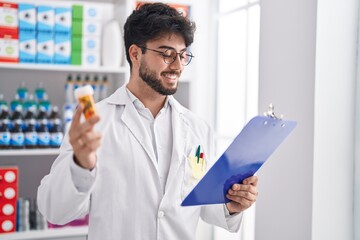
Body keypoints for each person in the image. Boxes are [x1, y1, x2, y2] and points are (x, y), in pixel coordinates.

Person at [37, 3, 258, 239]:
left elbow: (202, 201)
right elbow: (55, 211)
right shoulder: (94, 126)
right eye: (166, 54)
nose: (177, 65)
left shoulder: (198, 128)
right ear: (135, 53)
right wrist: (81, 165)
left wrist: (232, 204)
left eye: (183, 55)